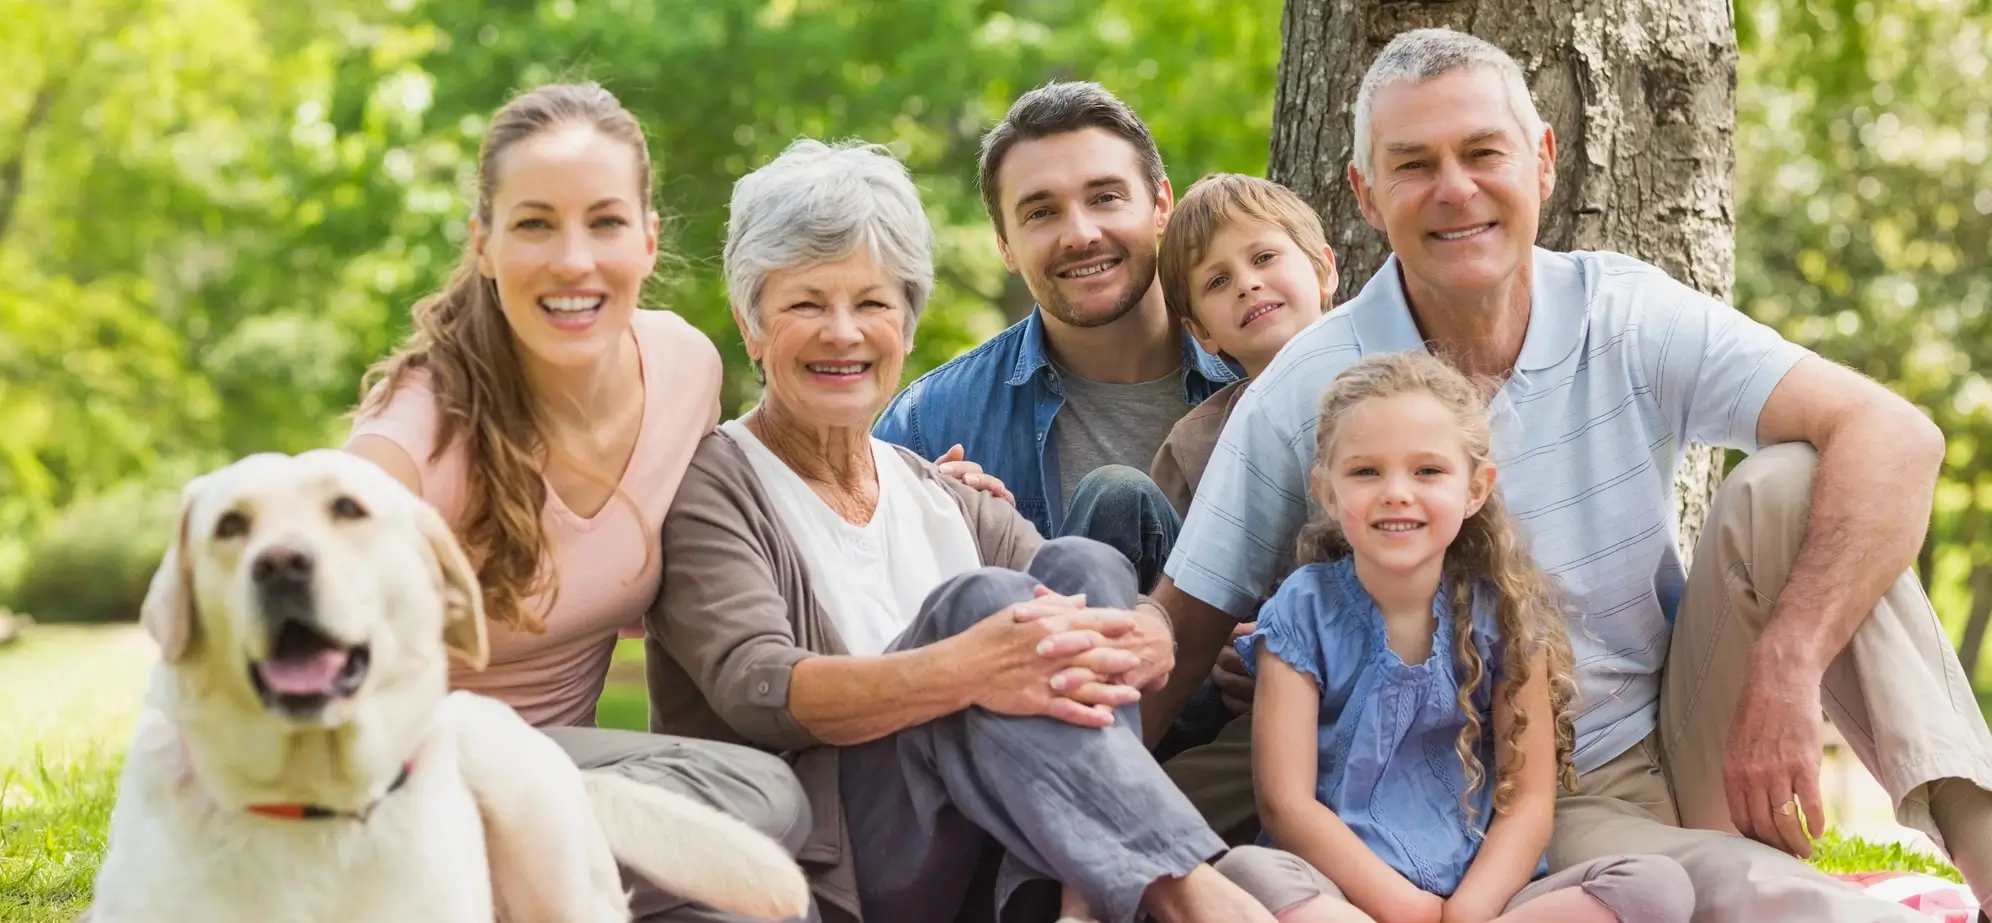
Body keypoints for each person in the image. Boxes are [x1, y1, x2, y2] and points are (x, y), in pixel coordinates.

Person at [1144, 28, 1992, 923]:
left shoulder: (1623, 309)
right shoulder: (1310, 386)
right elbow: (1184, 627)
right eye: (1414, 164)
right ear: (1363, 193)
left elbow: (1897, 435)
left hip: (1694, 718)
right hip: (1528, 790)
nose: (1456, 189)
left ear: (1542, 160)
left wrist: (1787, 668)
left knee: (1796, 481)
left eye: (1482, 153)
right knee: (1740, 895)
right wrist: (1081, 825)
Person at [645, 137, 1338, 923]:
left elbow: (1093, 600)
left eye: (873, 303)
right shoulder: (715, 482)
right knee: (980, 607)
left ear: (905, 326)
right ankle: (1188, 891)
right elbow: (754, 685)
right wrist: (964, 667)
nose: (843, 332)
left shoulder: (937, 489)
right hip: (826, 871)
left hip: (988, 865)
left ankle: (1083, 897)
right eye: (806, 304)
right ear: (751, 324)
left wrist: (1151, 628)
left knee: (1085, 564)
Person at [342, 82, 812, 922]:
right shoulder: (421, 430)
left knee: (758, 882)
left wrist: (911, 482)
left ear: (647, 238)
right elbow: (314, 551)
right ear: (483, 244)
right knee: (763, 801)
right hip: (409, 790)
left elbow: (735, 513)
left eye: (603, 221)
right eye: (533, 224)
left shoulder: (684, 368)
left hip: (581, 791)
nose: (573, 259)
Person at [1246, 350, 1693, 923]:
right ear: (1328, 492)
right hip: (1344, 894)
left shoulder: (1504, 613)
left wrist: (1463, 914)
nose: (1396, 492)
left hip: (1482, 900)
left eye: (1427, 471)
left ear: (1476, 488)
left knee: (1653, 887)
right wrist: (1409, 911)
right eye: (1365, 471)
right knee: (1248, 879)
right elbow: (1284, 805)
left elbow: (1529, 802)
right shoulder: (1303, 610)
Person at [872, 81, 1238, 593]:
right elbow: (860, 607)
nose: (1080, 234)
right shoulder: (926, 425)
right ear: (1005, 246)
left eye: (1105, 197)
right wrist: (932, 537)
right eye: (1041, 213)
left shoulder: (1266, 372)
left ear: (1161, 206)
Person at [1140, 173, 1338, 803]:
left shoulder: (1401, 386)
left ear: (1325, 269)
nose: (1247, 282)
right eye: (1218, 282)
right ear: (1203, 332)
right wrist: (1226, 646)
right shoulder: (1196, 444)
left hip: (1391, 676)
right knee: (1176, 800)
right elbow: (1181, 601)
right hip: (1254, 710)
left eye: (1263, 258)